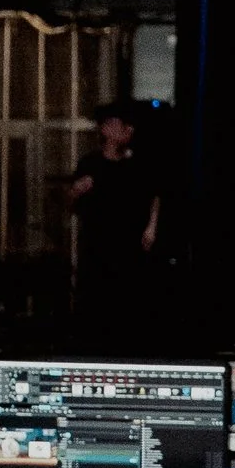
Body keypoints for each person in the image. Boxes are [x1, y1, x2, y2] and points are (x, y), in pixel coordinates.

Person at [67, 96, 163, 349]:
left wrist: (151, 227)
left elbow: (154, 194)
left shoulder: (137, 165)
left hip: (130, 252)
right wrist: (77, 190)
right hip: (98, 253)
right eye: (124, 125)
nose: (129, 131)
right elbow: (70, 203)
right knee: (97, 312)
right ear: (107, 128)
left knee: (130, 314)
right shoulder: (91, 164)